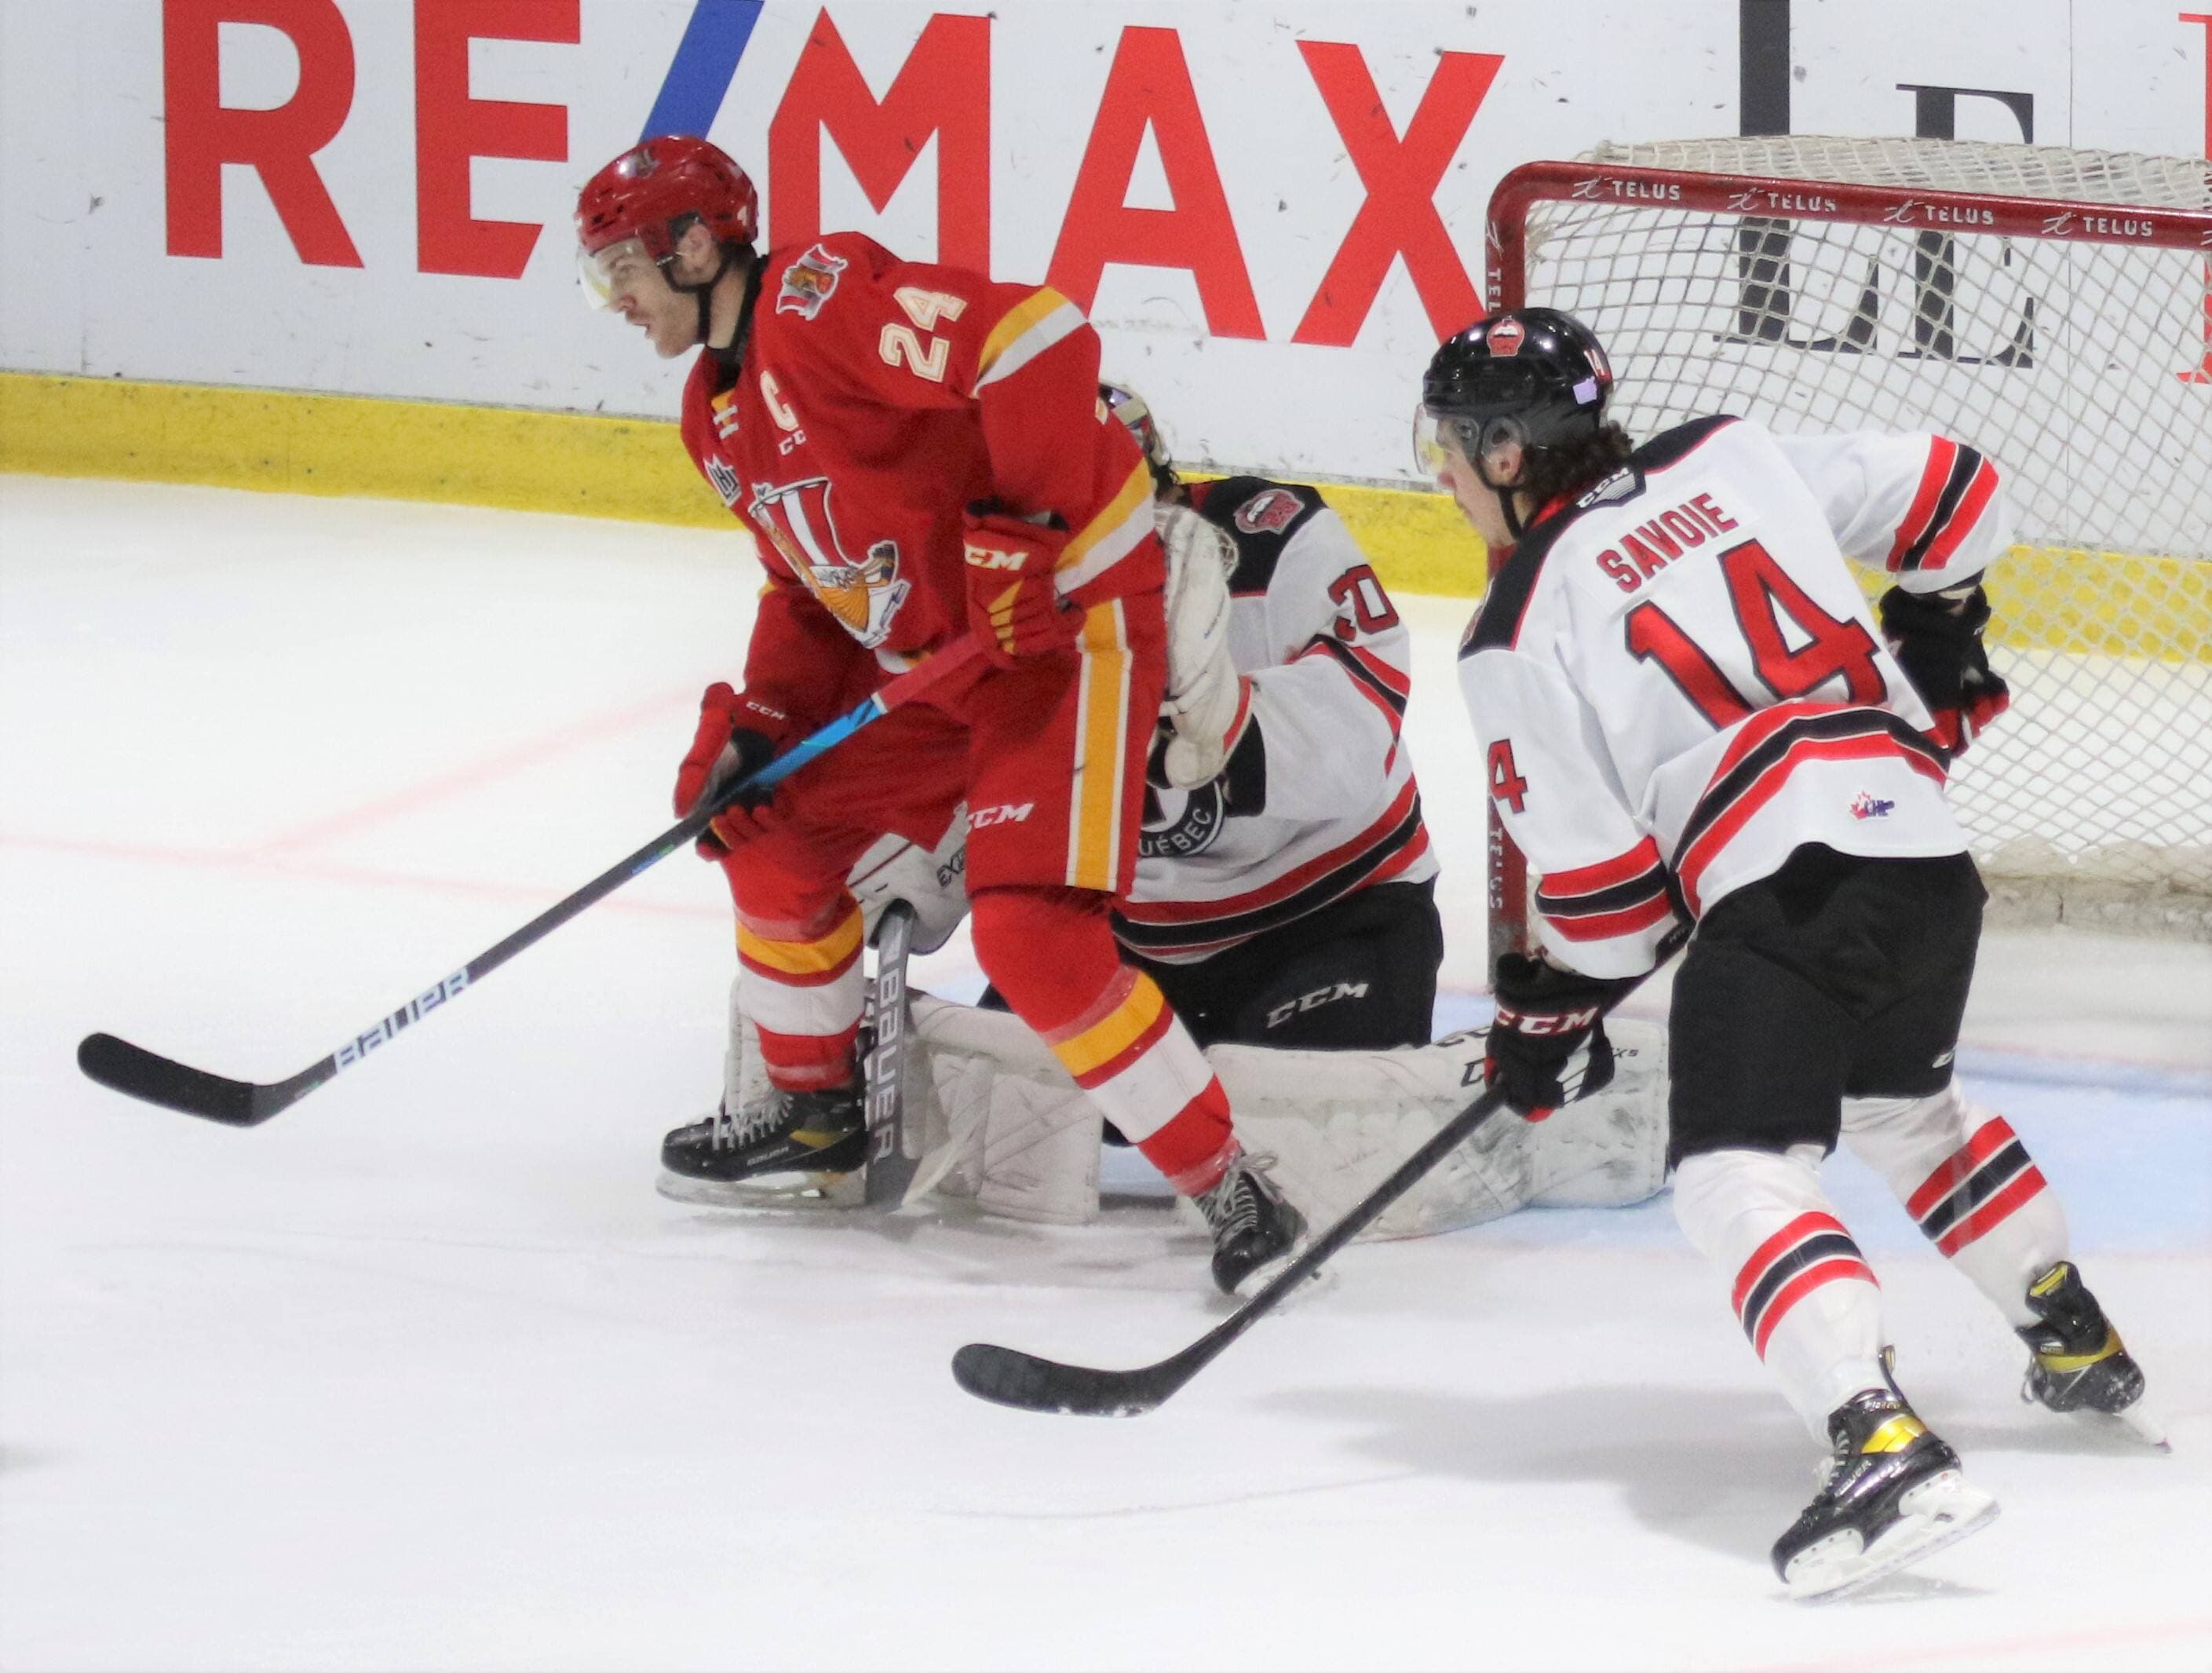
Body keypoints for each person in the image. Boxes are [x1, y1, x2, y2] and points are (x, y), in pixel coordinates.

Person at [1423, 306, 2159, 1599]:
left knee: (1729, 1173)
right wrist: (1941, 623)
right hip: (1925, 856)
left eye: (1447, 443)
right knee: (1904, 1110)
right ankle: (2067, 1329)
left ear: (1499, 454)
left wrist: (1547, 1022)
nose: (1434, 469)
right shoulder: (1727, 456)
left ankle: (1875, 1444)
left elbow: (1603, 911)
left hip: (1786, 880)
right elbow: (1957, 491)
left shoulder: (1512, 626)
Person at [573, 134, 1301, 1295]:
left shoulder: (817, 304)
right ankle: (813, 1118)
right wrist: (762, 722)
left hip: (1065, 630)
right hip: (935, 662)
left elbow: (1033, 335)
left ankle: (1229, 1181)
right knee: (771, 832)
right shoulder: (709, 418)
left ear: (698, 246)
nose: (612, 298)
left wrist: (1022, 532)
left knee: (1033, 937)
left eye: (623, 268)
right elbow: (807, 591)